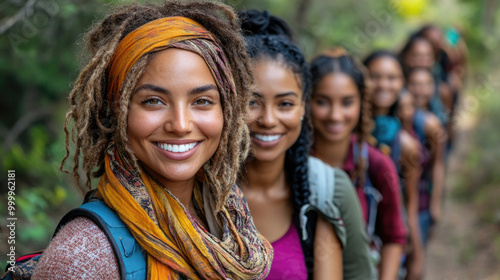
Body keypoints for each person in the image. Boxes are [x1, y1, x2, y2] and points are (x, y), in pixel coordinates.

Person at [9, 2, 274, 279]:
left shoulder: (227, 216)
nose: (181, 125)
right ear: (116, 110)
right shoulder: (84, 254)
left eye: (202, 101)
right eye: (153, 101)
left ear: (227, 111)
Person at [238, 10, 375, 280]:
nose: (268, 120)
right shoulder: (197, 191)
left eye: (285, 104)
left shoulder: (327, 193)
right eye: (252, 102)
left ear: (303, 107)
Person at [310, 48, 407, 280]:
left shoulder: (377, 166)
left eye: (347, 103)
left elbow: (394, 237)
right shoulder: (289, 160)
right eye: (322, 102)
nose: (335, 115)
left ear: (362, 103)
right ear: (306, 101)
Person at [363, 51, 424, 280]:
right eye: (375, 76)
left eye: (392, 78)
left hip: (387, 242)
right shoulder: (342, 128)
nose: (383, 84)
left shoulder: (405, 144)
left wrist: (417, 255)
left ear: (402, 83)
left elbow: (410, 203)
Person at [406, 67, 447, 243]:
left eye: (425, 84)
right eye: (414, 84)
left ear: (432, 88)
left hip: (420, 200)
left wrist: (435, 204)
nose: (419, 90)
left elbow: (438, 163)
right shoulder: (397, 118)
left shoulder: (433, 123)